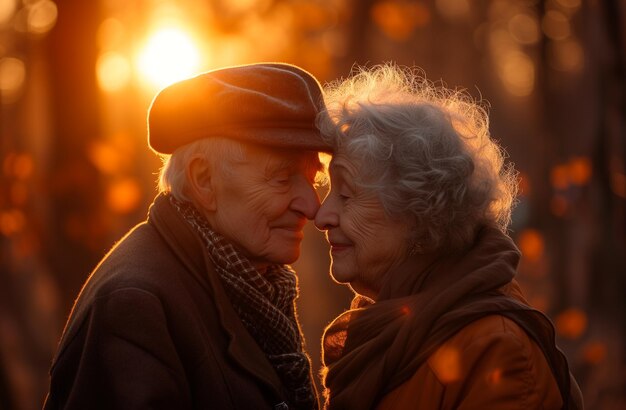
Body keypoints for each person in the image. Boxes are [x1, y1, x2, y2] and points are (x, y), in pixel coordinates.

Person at [44, 63, 332, 409]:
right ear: (203, 179)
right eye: (283, 178)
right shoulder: (134, 307)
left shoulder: (249, 285)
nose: (312, 207)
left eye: (313, 178)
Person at [314, 64, 584, 409]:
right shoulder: (388, 329)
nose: (321, 216)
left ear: (418, 211)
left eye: (347, 194)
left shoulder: (495, 350)